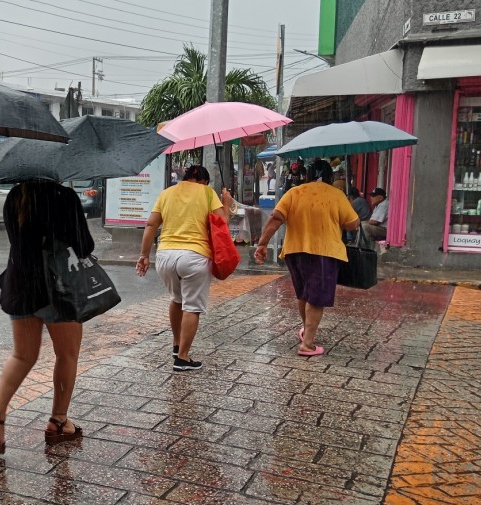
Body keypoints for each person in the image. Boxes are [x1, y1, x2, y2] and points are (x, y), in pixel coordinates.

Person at [0, 180, 95, 453]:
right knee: (67, 354)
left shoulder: (16, 194)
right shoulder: (63, 195)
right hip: (57, 286)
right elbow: (84, 245)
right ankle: (58, 422)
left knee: (22, 355)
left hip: (20, 282)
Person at [253, 159, 360, 357]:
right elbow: (353, 225)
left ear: (307, 176)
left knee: (304, 294)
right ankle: (308, 344)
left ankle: (306, 330)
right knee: (316, 298)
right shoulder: (337, 195)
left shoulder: (294, 193)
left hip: (295, 251)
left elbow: (275, 218)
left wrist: (262, 243)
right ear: (330, 177)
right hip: (324, 252)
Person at [135, 165, 232, 372]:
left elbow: (151, 224)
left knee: (177, 300)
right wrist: (226, 203)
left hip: (165, 255)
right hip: (194, 256)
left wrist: (144, 255)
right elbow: (222, 222)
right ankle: (183, 358)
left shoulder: (167, 192)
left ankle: (176, 344)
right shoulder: (207, 192)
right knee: (191, 307)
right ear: (204, 181)